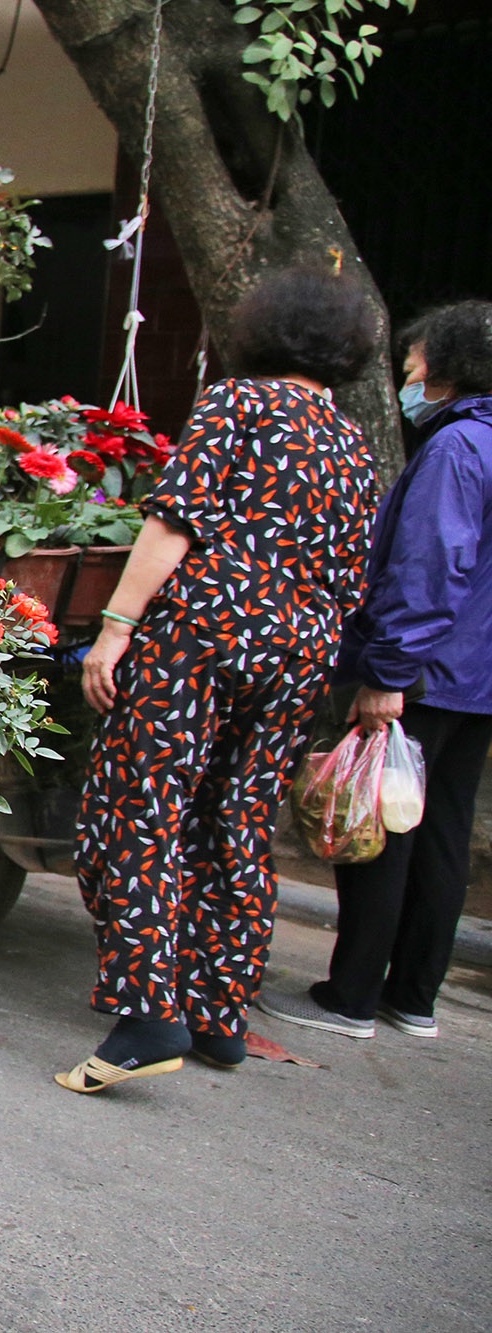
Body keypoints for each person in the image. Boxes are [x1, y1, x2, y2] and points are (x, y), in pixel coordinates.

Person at [56, 268, 380, 1093]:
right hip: (302, 648)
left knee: (138, 806)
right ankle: (217, 1012)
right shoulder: (351, 440)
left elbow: (174, 522)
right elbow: (351, 573)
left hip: (205, 633)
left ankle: (147, 1014)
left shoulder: (239, 403)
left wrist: (117, 629)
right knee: (237, 818)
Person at [260, 301, 492, 1041]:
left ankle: (351, 994)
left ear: (452, 369)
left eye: (416, 363)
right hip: (478, 677)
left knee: (378, 822)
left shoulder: (458, 448)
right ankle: (414, 995)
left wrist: (387, 670)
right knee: (443, 830)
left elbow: (429, 568)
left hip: (428, 667)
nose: (410, 377)